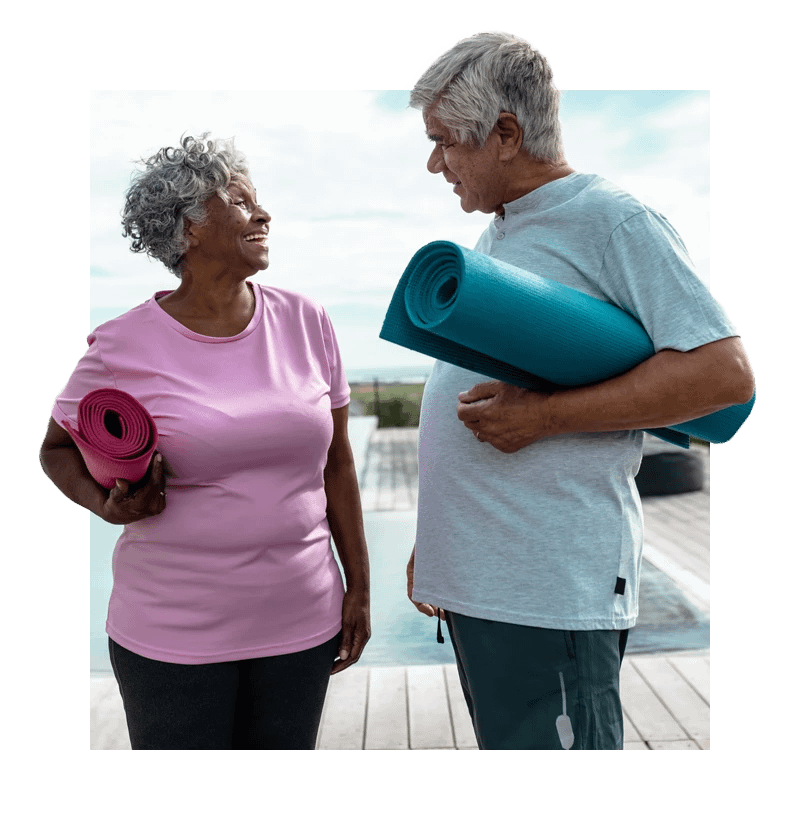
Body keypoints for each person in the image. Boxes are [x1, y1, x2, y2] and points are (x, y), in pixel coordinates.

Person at [405, 32, 753, 749]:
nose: (435, 162)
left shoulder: (611, 219)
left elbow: (724, 372)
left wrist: (544, 418)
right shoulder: (503, 232)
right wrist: (439, 541)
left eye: (446, 142)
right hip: (489, 586)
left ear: (504, 134)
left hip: (550, 593)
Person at [41, 134, 370, 749]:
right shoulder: (121, 345)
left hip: (302, 619)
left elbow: (338, 463)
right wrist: (103, 503)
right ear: (189, 228)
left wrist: (360, 589)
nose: (263, 214)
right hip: (173, 633)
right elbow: (54, 449)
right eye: (241, 202)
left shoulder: (308, 320)